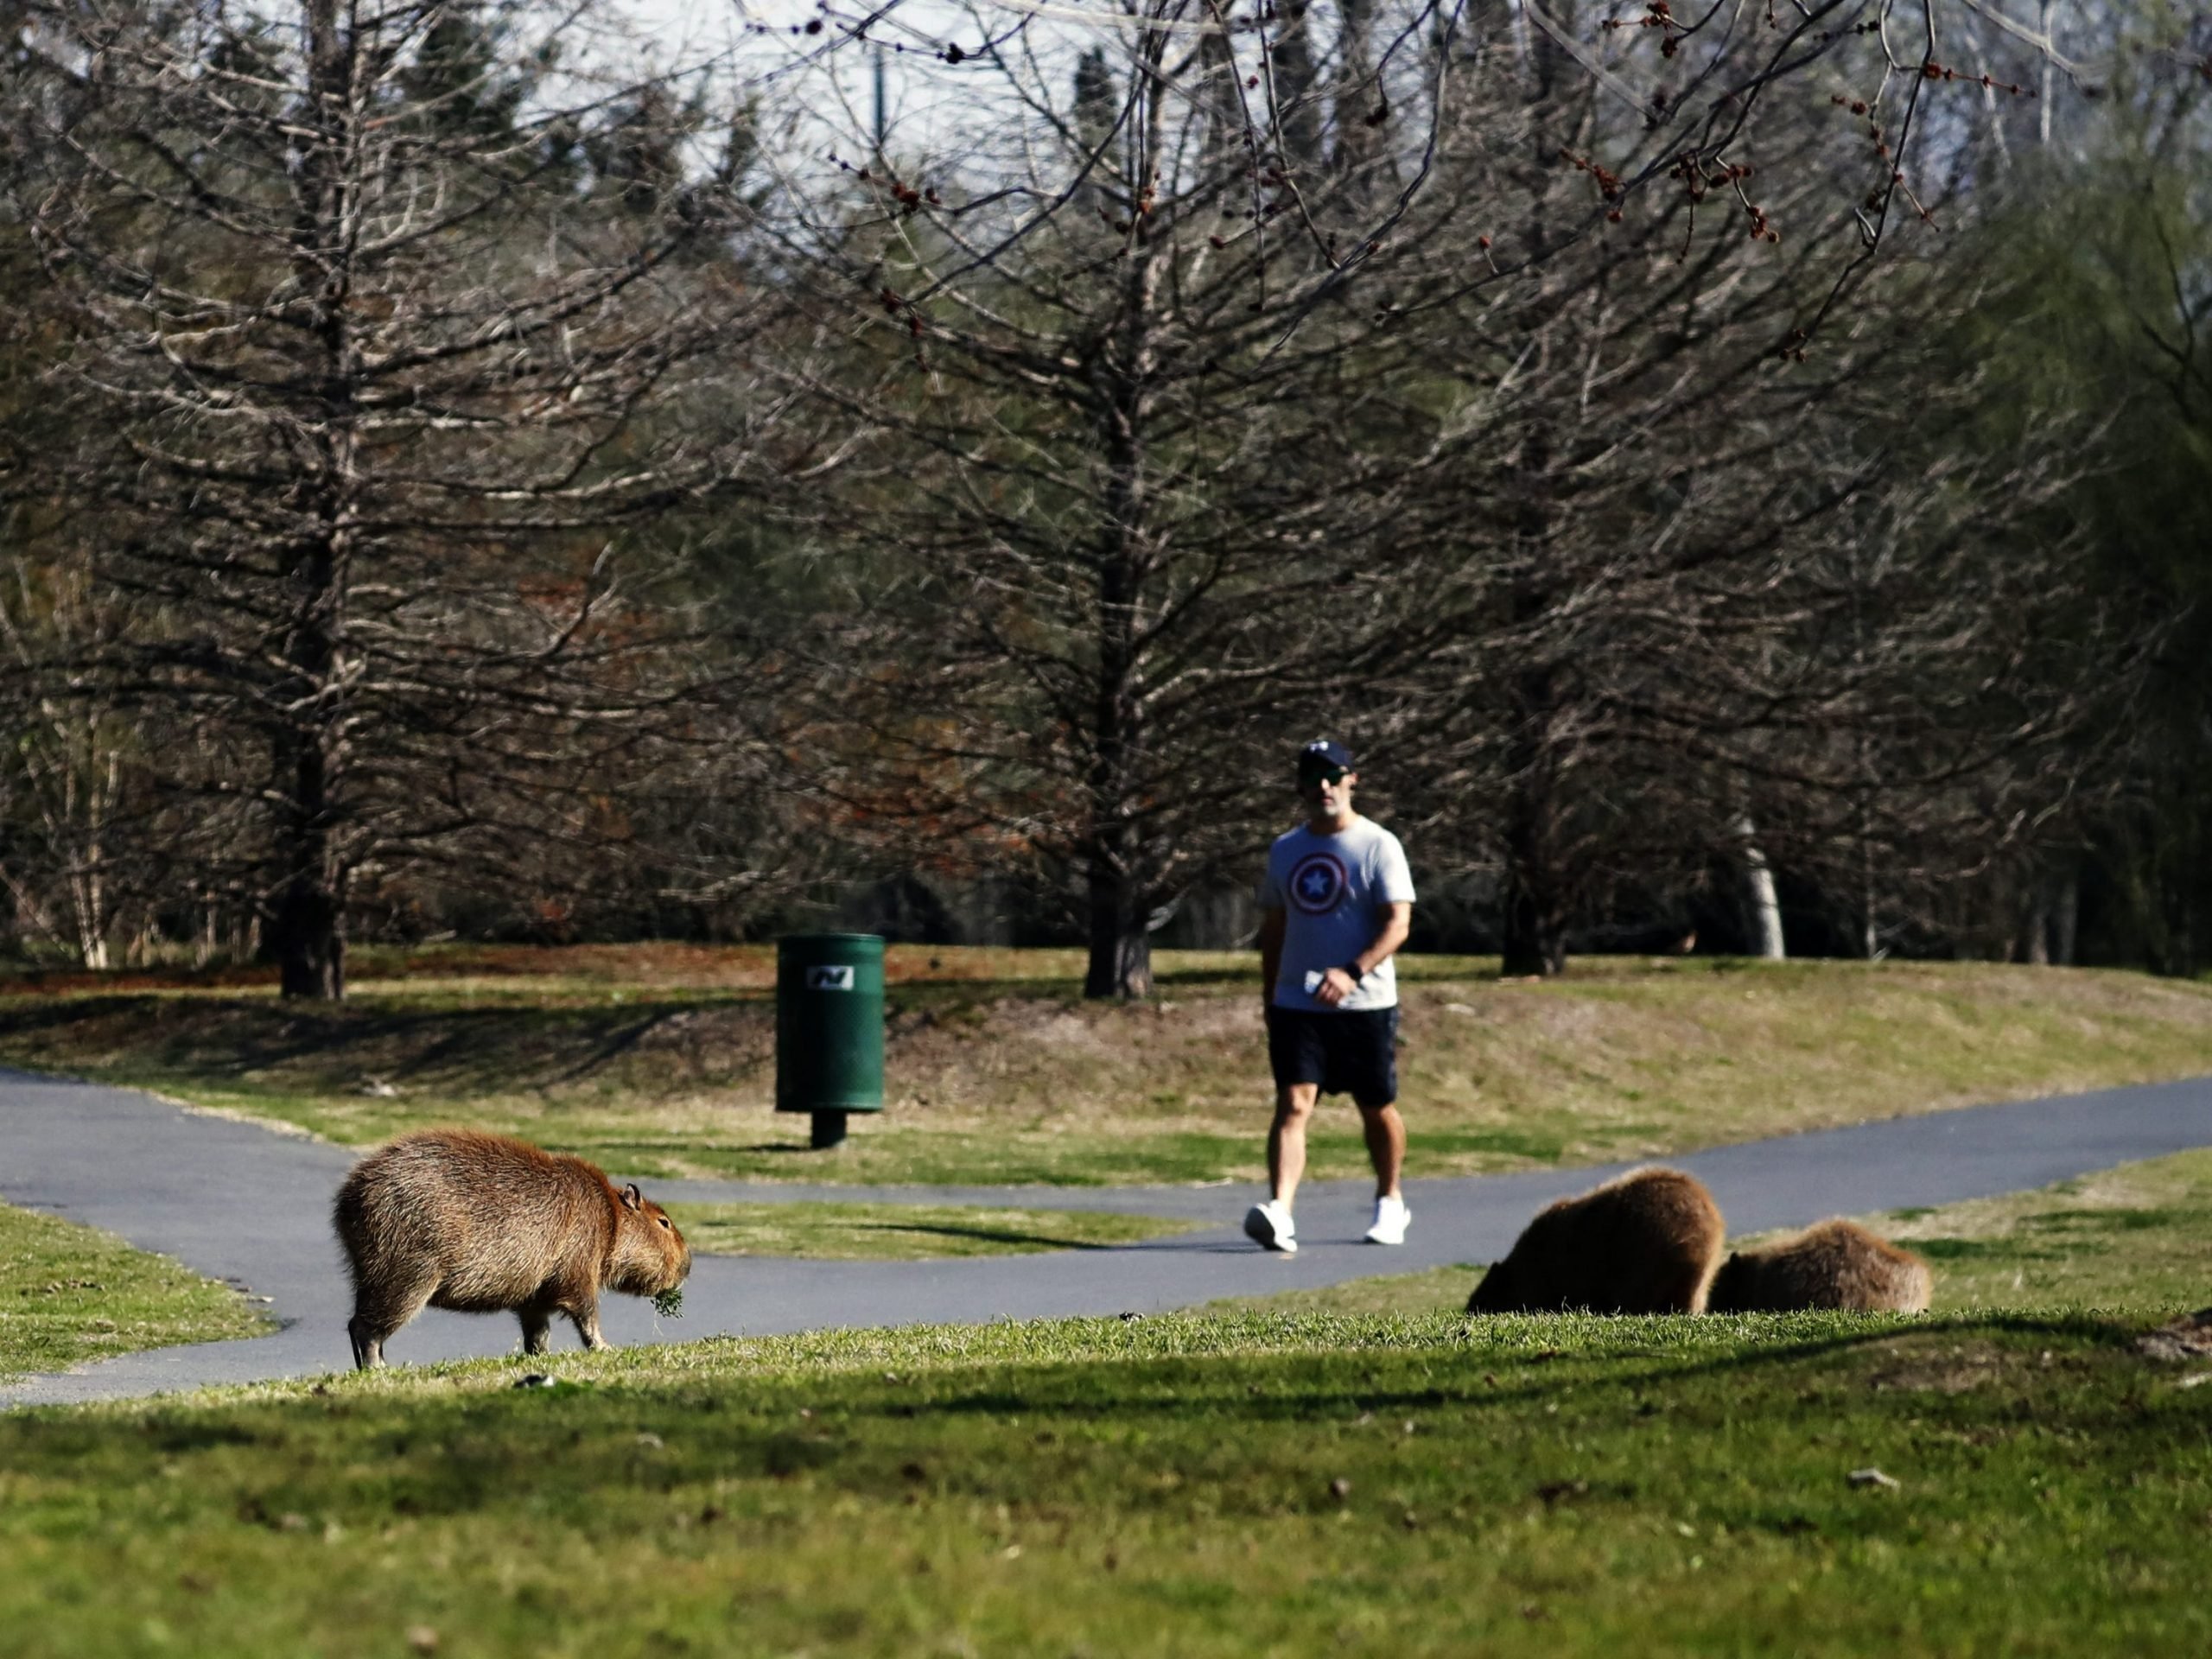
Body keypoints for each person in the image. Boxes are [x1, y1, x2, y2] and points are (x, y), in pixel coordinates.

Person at [1244, 738, 1415, 1255]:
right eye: (1313, 777)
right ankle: (1280, 1212)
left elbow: (1399, 923)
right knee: (1294, 1103)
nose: (1324, 787)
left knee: (1375, 1105)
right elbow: (1274, 928)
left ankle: (1390, 1200)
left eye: (1333, 775)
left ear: (1351, 780)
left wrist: (1352, 972)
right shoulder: (1286, 849)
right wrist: (1271, 995)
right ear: (1299, 787)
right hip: (1298, 1003)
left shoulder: (1378, 845)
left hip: (1365, 1005)